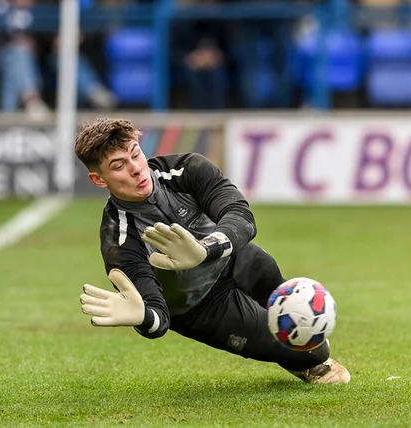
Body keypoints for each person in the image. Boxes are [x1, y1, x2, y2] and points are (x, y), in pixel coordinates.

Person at [75, 117, 351, 384]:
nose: (136, 168)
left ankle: (299, 347)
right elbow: (159, 316)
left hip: (238, 261)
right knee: (314, 352)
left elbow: (240, 215)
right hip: (202, 305)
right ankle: (306, 361)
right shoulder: (119, 238)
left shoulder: (187, 169)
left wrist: (205, 250)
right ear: (99, 180)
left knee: (306, 328)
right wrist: (145, 318)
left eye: (136, 154)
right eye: (119, 166)